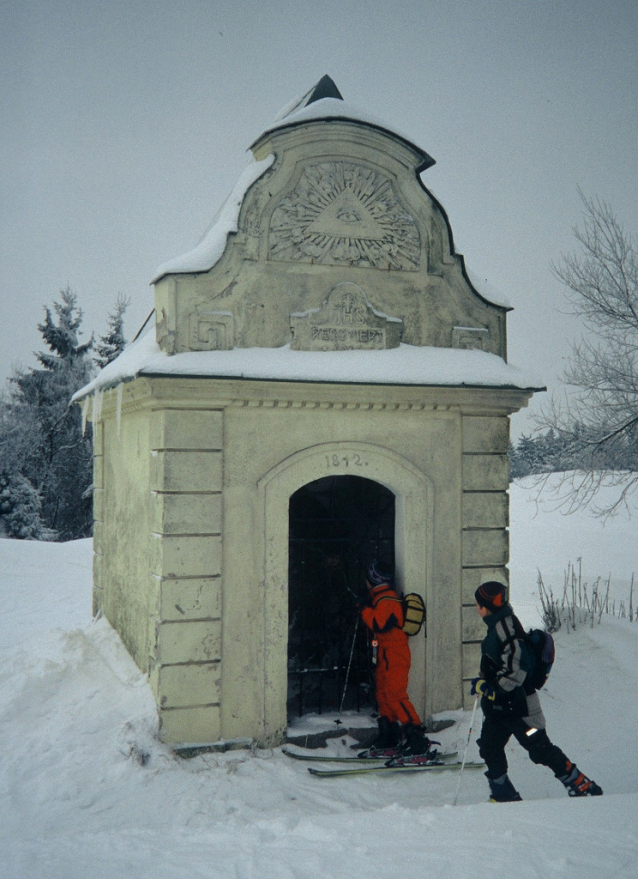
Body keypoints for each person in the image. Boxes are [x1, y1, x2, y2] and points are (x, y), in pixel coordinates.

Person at [471, 580, 603, 802]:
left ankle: (581, 784)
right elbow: (496, 663)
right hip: (500, 708)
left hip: (520, 706)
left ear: (486, 607)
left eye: (478, 604)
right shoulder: (496, 626)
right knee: (489, 746)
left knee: (540, 748)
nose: (477, 608)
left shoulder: (506, 628)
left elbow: (516, 669)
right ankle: (504, 794)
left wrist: (491, 689)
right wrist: (485, 682)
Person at [359, 560, 432, 759]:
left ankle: (416, 737)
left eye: (367, 578)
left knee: (395, 695)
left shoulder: (387, 600)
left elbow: (377, 623)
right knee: (383, 694)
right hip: (386, 653)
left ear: (374, 580)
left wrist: (364, 608)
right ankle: (389, 735)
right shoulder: (381, 599)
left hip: (395, 653)